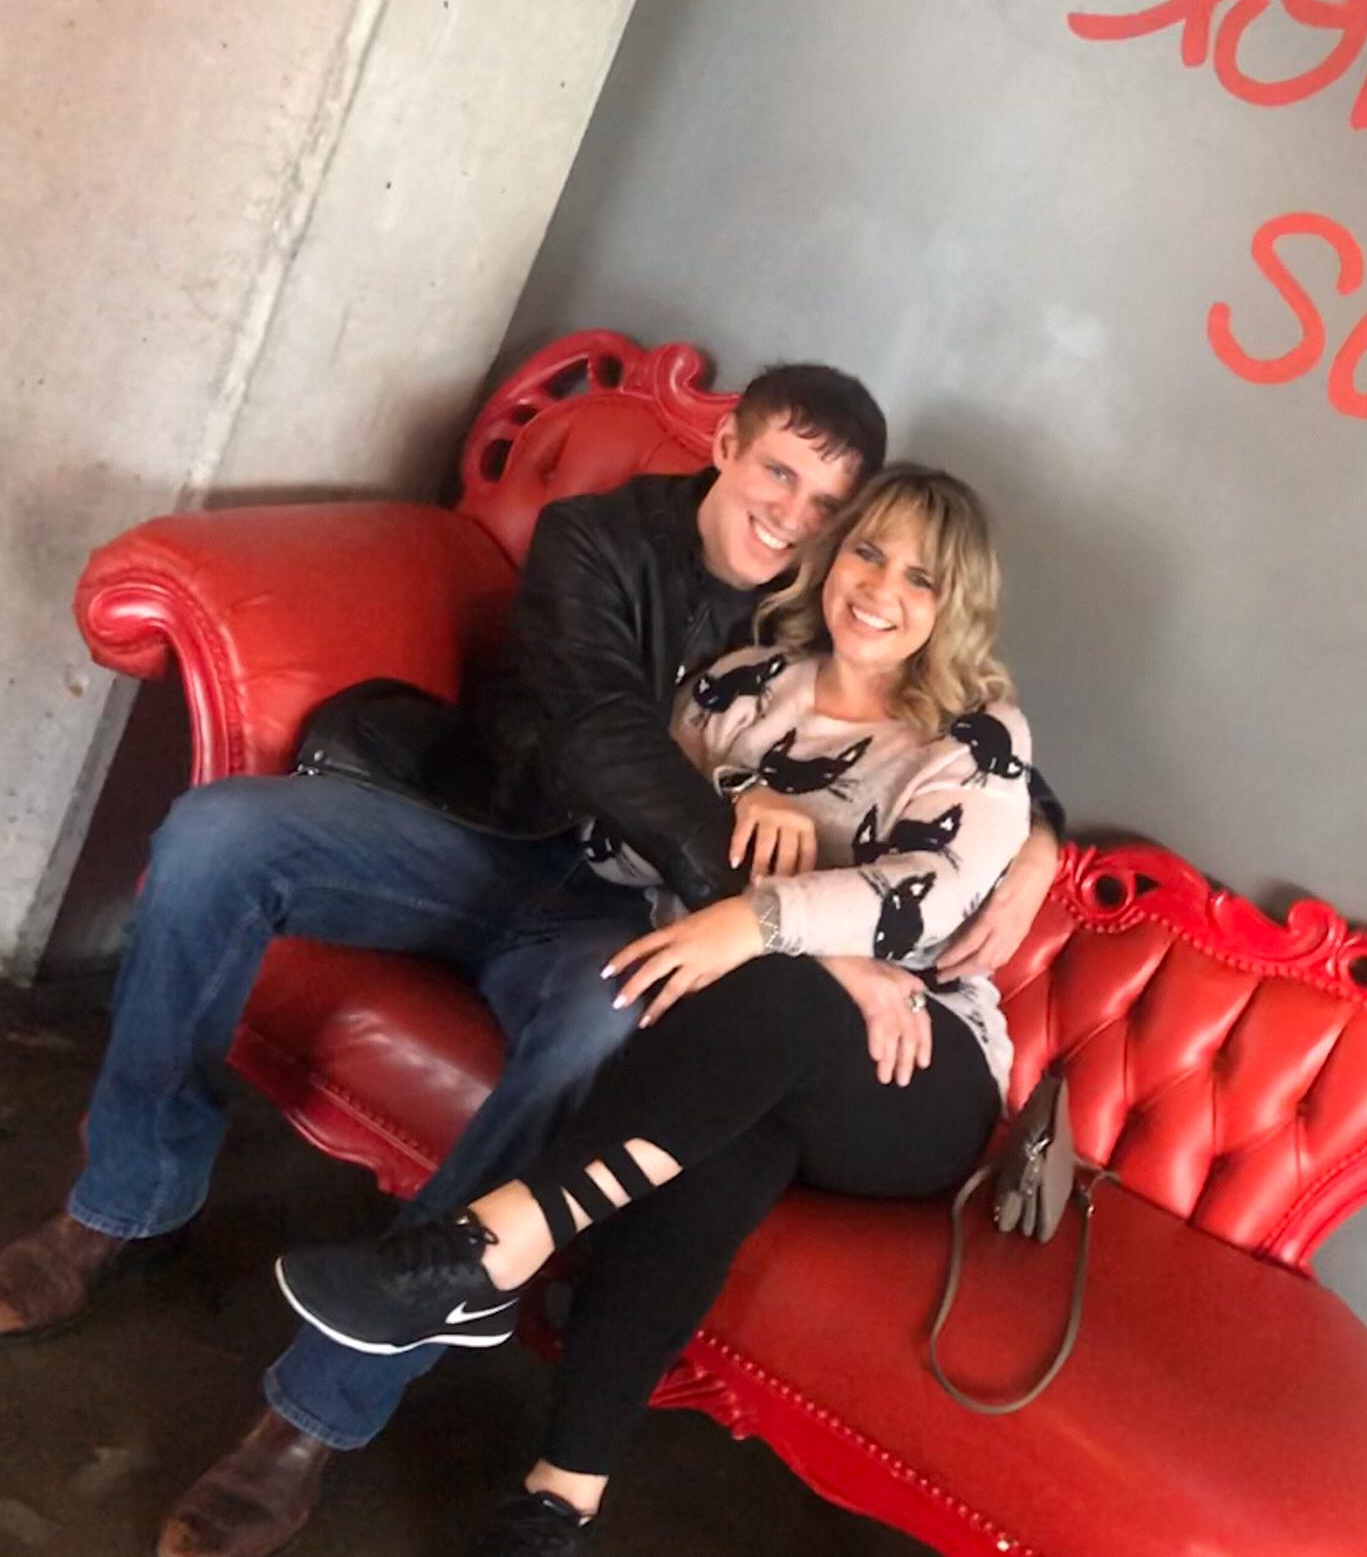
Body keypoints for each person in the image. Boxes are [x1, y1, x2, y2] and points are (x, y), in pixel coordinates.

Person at [0, 366, 1064, 1557]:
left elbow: (953, 744)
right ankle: (121, 1204)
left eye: (828, 506)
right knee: (217, 839)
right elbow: (603, 736)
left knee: (599, 1035)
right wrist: (783, 919)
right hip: (496, 838)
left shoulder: (816, 615)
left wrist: (1041, 841)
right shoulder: (605, 544)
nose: (794, 519)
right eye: (780, 474)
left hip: (632, 920)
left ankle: (314, 1414)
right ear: (725, 446)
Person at [277, 465, 1033, 1555]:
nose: (880, 590)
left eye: (921, 578)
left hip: (912, 1065)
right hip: (742, 1051)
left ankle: (489, 1248)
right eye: (868, 552)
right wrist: (732, 801)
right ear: (833, 557)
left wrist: (754, 923)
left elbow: (926, 901)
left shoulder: (977, 738)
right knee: (713, 1150)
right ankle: (558, 1502)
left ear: (953, 605)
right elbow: (614, 837)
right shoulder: (741, 684)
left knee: (767, 993)